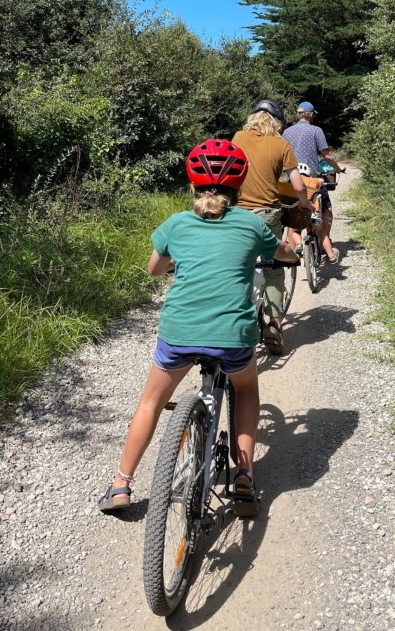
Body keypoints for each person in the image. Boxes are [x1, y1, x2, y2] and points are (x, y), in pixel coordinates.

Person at [98, 139, 297, 517]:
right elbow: (282, 254)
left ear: (192, 186)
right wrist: (290, 253)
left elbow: (154, 269)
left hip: (180, 331)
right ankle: (244, 476)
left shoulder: (176, 223)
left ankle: (121, 485)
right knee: (247, 390)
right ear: (239, 189)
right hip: (232, 336)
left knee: (151, 401)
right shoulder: (252, 224)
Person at [232, 99, 314, 355]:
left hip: (238, 214)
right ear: (277, 121)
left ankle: (233, 318)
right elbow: (298, 185)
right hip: (268, 214)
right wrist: (305, 205)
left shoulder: (238, 137)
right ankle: (274, 326)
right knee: (274, 268)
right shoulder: (281, 145)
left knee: (239, 265)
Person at [282, 101, 346, 264]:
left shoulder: (287, 132)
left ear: (298, 114)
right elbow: (327, 156)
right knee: (326, 210)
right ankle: (325, 243)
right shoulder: (316, 130)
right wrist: (338, 169)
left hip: (292, 181)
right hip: (313, 180)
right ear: (310, 114)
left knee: (292, 219)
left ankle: (294, 250)